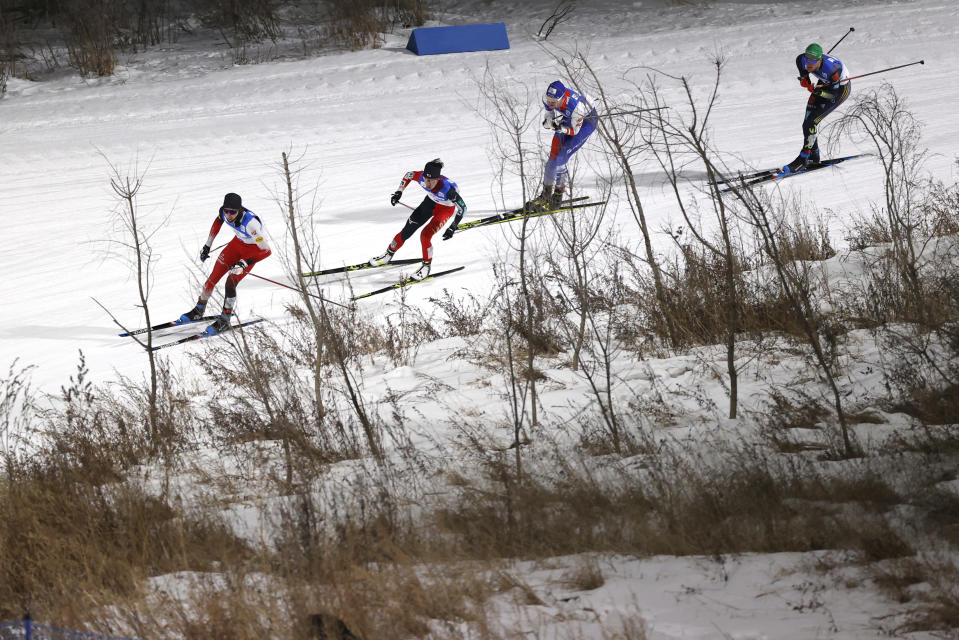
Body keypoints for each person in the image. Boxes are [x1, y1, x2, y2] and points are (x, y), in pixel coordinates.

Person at [179, 192, 272, 333]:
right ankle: (199, 309)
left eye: (232, 212)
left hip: (252, 251)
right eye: (226, 211)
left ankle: (225, 319)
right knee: (212, 279)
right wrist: (207, 246)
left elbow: (266, 250)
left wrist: (244, 263)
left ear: (239, 210)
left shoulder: (251, 225)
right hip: (236, 245)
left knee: (231, 282)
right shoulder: (224, 213)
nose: (228, 215)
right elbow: (218, 222)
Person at [368, 158, 466, 281]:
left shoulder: (448, 190)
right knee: (407, 230)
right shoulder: (421, 177)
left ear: (437, 179)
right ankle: (388, 255)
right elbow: (409, 175)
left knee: (425, 235)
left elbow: (463, 208)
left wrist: (453, 227)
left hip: (445, 209)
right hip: (429, 202)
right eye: (425, 179)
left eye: (431, 181)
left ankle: (426, 267)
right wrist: (399, 192)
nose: (427, 183)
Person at [528, 79, 598, 210]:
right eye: (548, 100)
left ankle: (558, 196)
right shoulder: (550, 99)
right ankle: (546, 195)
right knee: (552, 159)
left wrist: (561, 128)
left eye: (554, 102)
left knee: (561, 159)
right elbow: (549, 113)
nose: (550, 103)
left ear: (562, 98)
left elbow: (574, 131)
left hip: (586, 123)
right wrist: (548, 122)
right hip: (568, 119)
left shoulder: (576, 107)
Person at [782, 42, 851, 174]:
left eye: (812, 61)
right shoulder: (803, 59)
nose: (808, 63)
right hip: (824, 83)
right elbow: (799, 61)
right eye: (807, 59)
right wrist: (804, 77)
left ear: (819, 60)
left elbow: (832, 95)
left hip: (839, 90)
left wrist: (818, 91)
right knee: (807, 122)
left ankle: (803, 159)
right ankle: (814, 155)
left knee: (812, 121)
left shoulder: (832, 71)